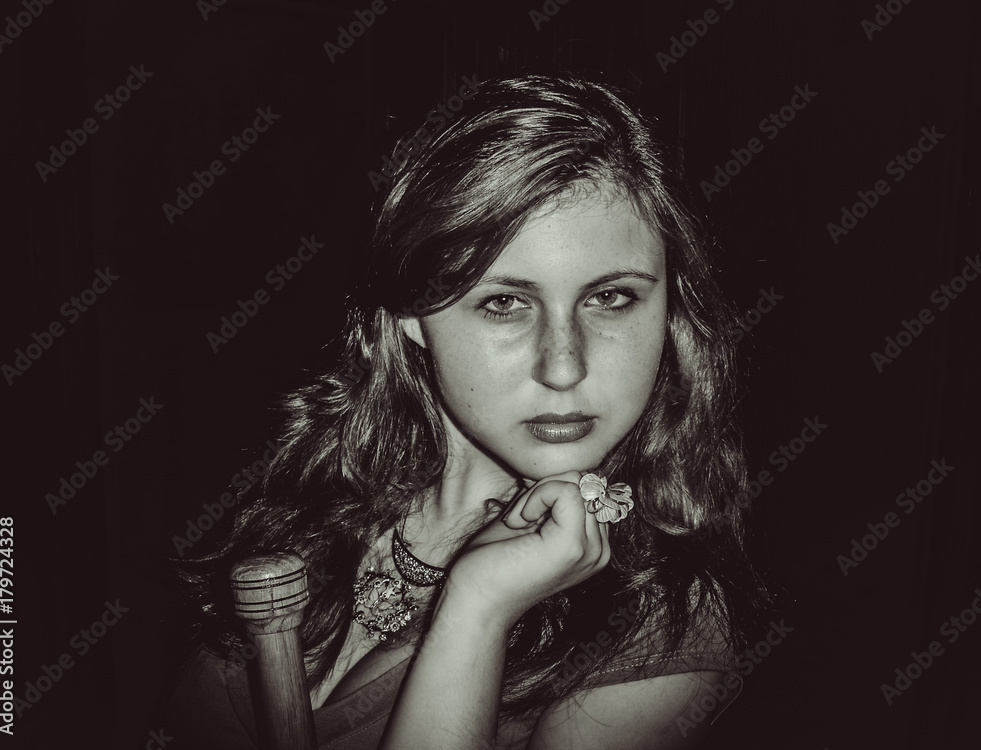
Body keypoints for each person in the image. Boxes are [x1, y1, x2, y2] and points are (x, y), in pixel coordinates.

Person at [158, 73, 770, 749]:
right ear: (412, 313)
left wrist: (477, 610)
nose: (563, 366)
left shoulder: (662, 623)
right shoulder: (314, 496)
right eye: (504, 303)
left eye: (611, 298)